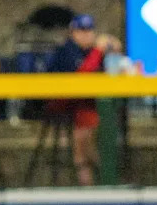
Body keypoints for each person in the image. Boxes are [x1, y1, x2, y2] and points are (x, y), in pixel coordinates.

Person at [46, 14, 119, 186]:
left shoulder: (93, 50)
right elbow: (81, 78)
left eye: (89, 31)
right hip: (65, 105)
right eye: (81, 31)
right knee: (85, 135)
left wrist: (113, 48)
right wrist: (98, 51)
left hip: (90, 106)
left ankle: (101, 172)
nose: (86, 35)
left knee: (100, 120)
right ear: (73, 33)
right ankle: (92, 181)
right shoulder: (67, 50)